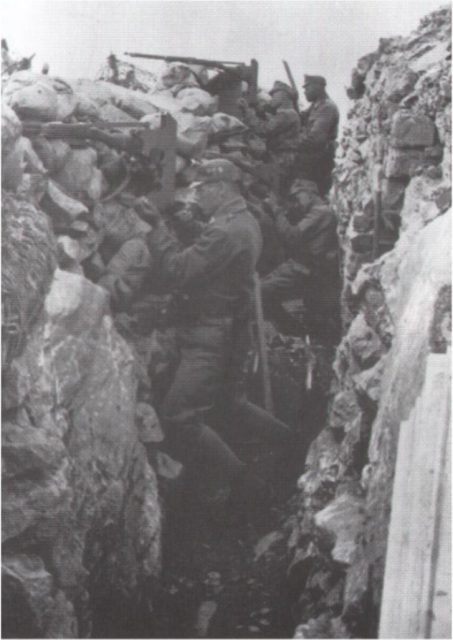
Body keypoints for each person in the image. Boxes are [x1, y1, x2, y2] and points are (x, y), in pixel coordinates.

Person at [139, 159, 268, 506]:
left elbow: (177, 270)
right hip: (228, 328)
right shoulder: (241, 220)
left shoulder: (225, 230)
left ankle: (249, 486)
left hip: (208, 335)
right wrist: (192, 225)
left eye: (202, 190)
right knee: (231, 403)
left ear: (221, 189)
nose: (196, 196)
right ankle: (292, 448)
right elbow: (216, 249)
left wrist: (156, 227)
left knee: (179, 417)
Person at [261, 179, 340, 341]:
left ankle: (295, 332)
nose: (296, 204)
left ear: (310, 194)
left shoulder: (322, 212)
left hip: (305, 269)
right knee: (261, 289)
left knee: (260, 293)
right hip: (299, 266)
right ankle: (296, 331)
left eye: (298, 198)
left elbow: (291, 236)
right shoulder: (317, 211)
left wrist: (276, 210)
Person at [296, 75, 339, 197]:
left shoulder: (327, 107)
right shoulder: (316, 105)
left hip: (318, 161)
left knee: (312, 197)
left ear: (318, 87)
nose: (305, 91)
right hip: (313, 159)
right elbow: (302, 117)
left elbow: (316, 139)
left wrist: (292, 143)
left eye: (307, 88)